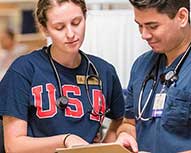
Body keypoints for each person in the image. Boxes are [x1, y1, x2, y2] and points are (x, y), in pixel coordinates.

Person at [0, 0, 125, 153]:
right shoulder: (24, 70)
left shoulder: (104, 71)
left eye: (76, 22)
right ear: (44, 29)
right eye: (59, 27)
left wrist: (105, 147)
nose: (71, 34)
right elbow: (14, 146)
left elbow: (121, 119)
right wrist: (66, 140)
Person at [116, 0, 191, 153]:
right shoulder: (142, 65)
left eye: (152, 26)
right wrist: (125, 134)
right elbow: (129, 122)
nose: (144, 35)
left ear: (182, 17)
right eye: (139, 25)